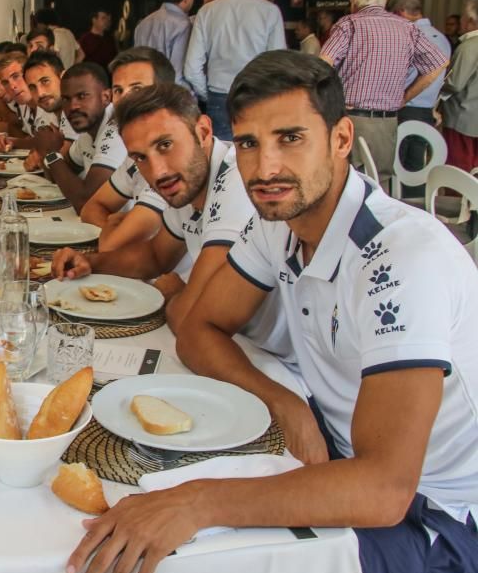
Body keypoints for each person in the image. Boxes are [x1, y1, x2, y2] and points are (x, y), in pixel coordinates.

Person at [67, 50, 478, 573]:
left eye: (290, 138)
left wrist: (199, 503)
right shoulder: (277, 226)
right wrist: (287, 405)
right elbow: (199, 330)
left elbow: (384, 488)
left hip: (436, 516)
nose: (265, 169)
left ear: (340, 139)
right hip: (333, 452)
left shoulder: (401, 260)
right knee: (128, 483)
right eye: (252, 144)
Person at [51, 83, 290, 357]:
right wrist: (89, 262)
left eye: (165, 145)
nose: (157, 171)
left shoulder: (234, 179)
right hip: (234, 343)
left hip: (270, 358)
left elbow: (190, 317)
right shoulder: (185, 182)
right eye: (140, 157)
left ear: (202, 132)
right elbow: (155, 256)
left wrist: (177, 295)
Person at [320, 0, 448, 182]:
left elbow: (322, 65)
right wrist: (405, 97)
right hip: (387, 121)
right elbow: (438, 64)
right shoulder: (407, 28)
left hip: (351, 117)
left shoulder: (349, 24)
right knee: (380, 183)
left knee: (343, 181)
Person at [80, 48, 175, 251]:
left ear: (165, 92)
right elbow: (90, 208)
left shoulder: (171, 157)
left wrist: (115, 234)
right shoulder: (135, 156)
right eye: (118, 90)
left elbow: (111, 246)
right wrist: (114, 228)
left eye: (137, 89)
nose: (124, 100)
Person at [184, 0, 286, 140]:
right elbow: (278, 66)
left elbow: (191, 68)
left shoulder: (207, 11)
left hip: (218, 96)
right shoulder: (270, 12)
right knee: (256, 154)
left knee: (222, 158)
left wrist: (208, 94)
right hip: (256, 94)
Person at [32, 62, 120, 213]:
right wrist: (48, 152)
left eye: (82, 96)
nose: (73, 107)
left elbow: (84, 202)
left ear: (106, 97)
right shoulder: (88, 132)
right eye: (66, 99)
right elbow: (56, 178)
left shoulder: (117, 131)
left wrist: (51, 153)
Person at [387, 0, 452, 172]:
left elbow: (396, 74)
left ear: (399, 13)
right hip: (426, 111)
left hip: (404, 108)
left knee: (396, 168)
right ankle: (414, 200)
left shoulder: (408, 36)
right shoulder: (442, 38)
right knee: (416, 167)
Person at [133, 0, 197, 88]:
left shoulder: (143, 24)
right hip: (168, 96)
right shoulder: (183, 25)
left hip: (143, 92)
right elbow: (177, 76)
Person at [441, 0, 478, 171]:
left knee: (458, 168)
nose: (461, 21)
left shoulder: (469, 46)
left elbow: (455, 83)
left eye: (463, 17)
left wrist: (436, 88)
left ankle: (454, 200)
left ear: (471, 20)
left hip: (461, 118)